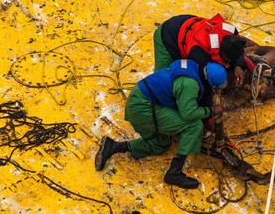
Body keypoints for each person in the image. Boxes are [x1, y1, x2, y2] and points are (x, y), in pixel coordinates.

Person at [95, 59, 228, 189]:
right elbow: (188, 114)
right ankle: (174, 172)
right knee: (194, 125)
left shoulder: (191, 65)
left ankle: (113, 147)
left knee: (160, 145)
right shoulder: (189, 84)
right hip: (143, 108)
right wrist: (210, 111)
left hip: (139, 99)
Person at [153, 13, 256, 90]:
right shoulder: (199, 54)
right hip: (167, 35)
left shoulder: (232, 33)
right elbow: (203, 79)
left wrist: (238, 65)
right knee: (161, 81)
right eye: (228, 59)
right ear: (222, 53)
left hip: (189, 24)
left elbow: (237, 51)